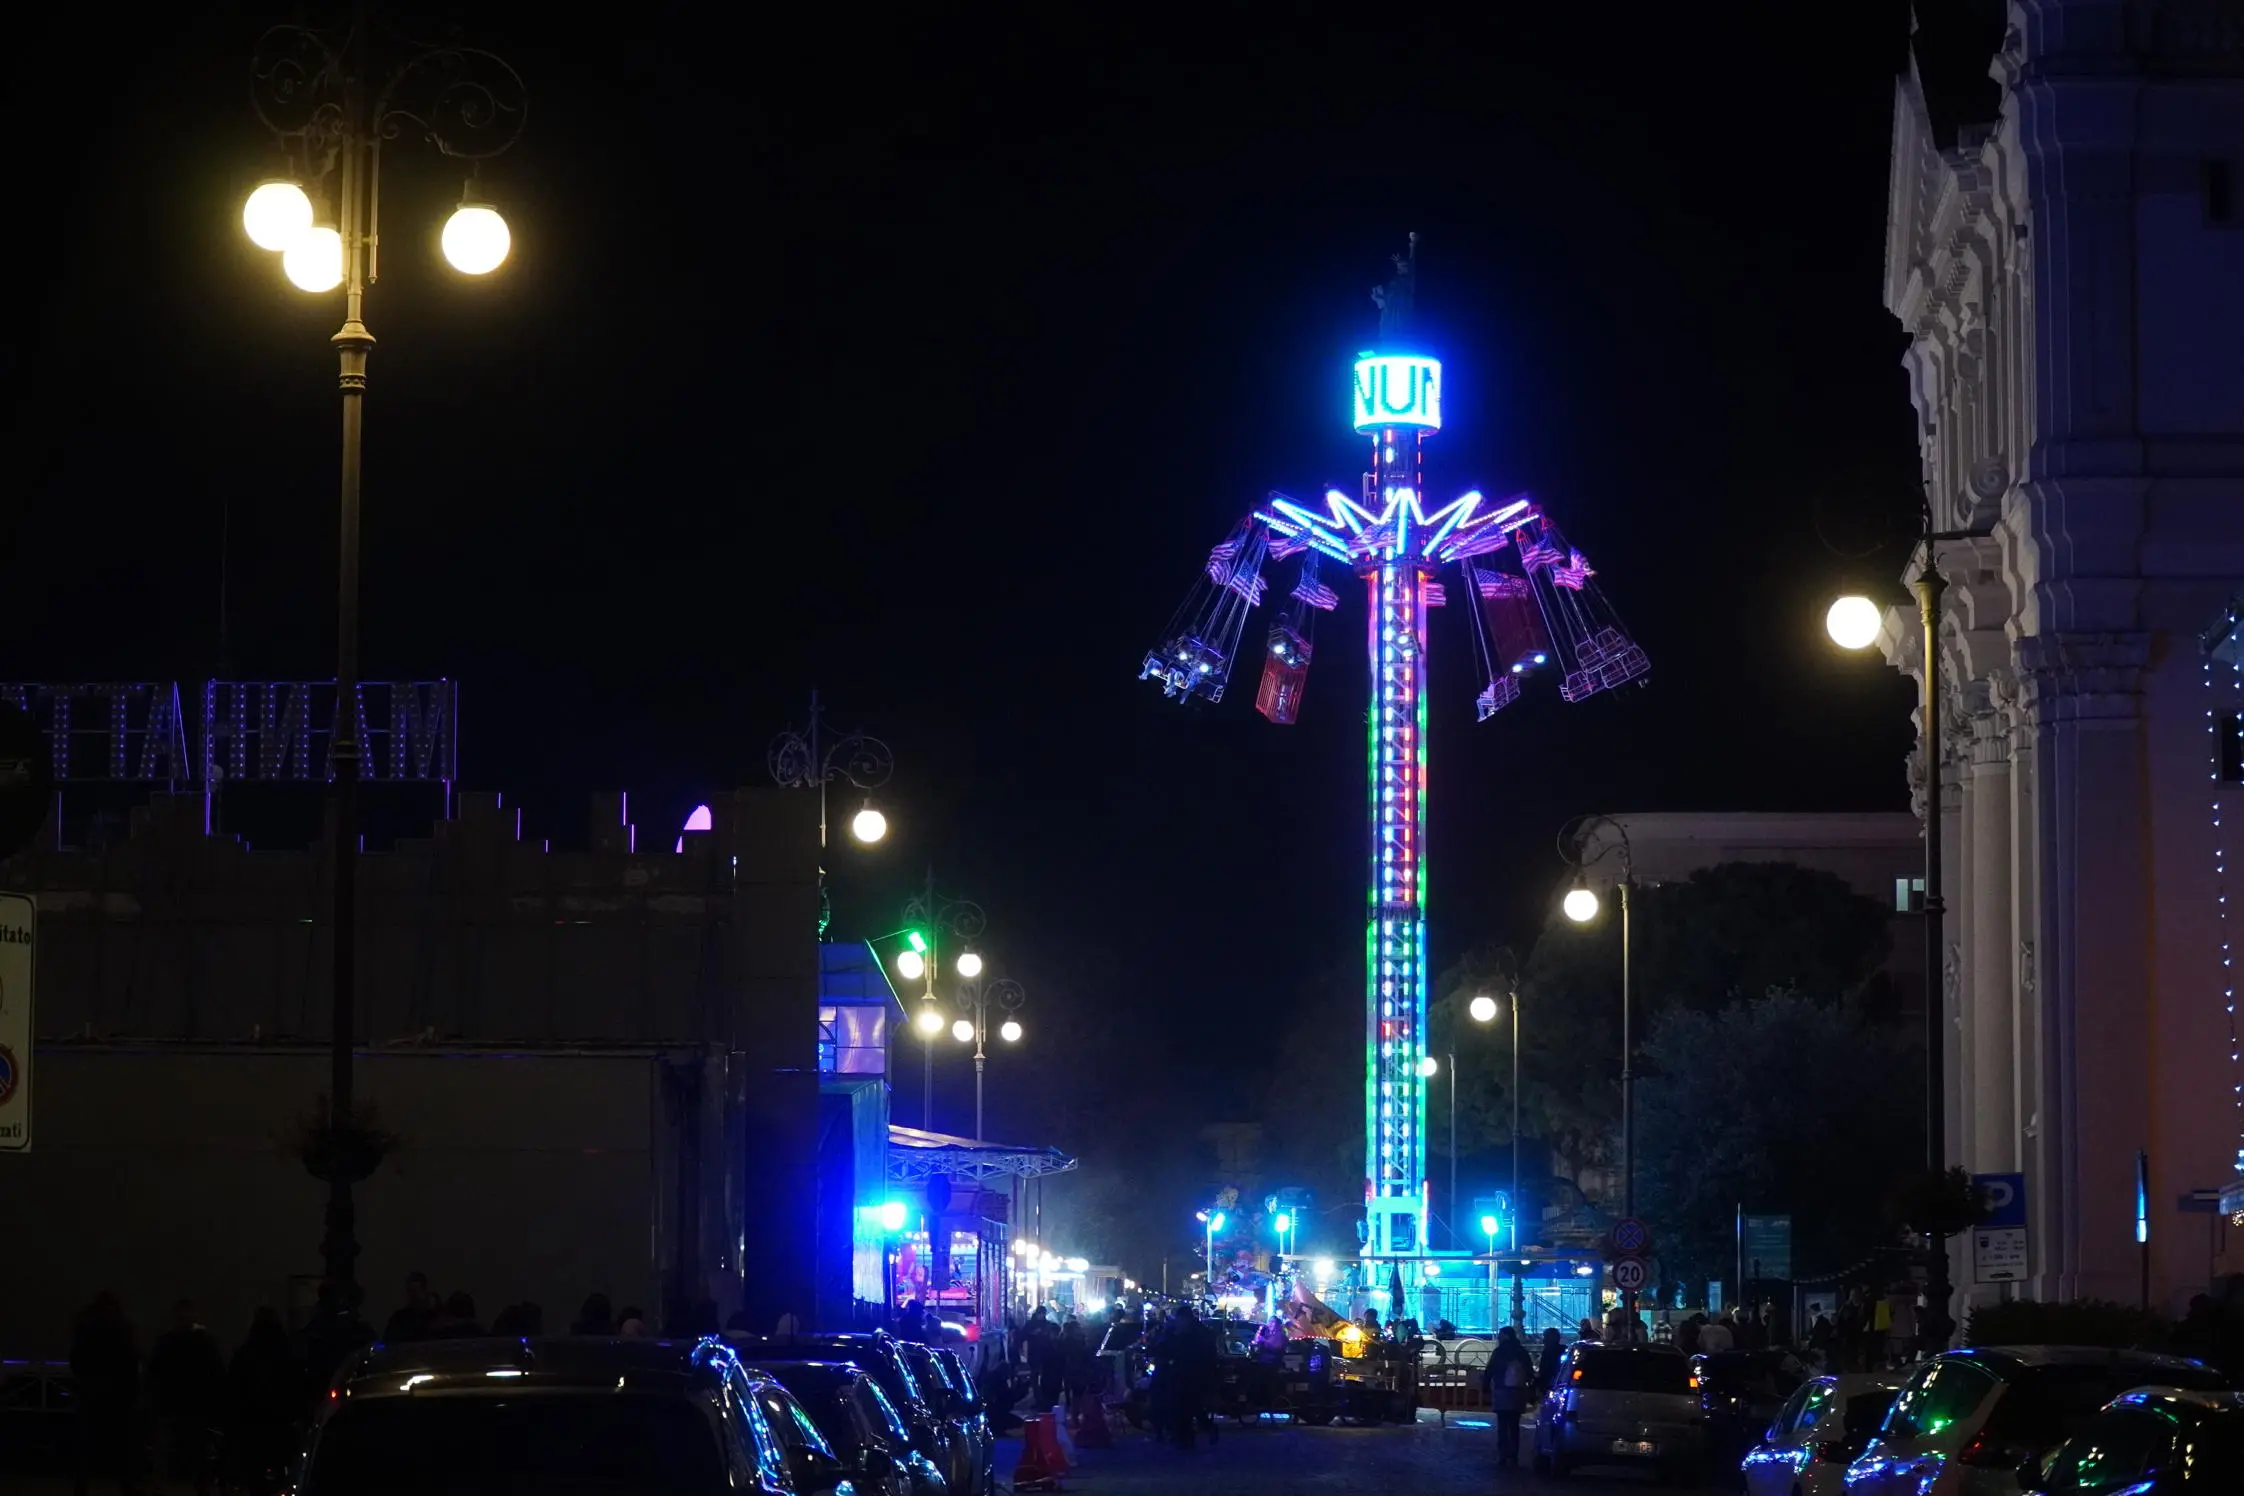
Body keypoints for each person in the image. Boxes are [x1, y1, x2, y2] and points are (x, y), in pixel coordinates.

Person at [148, 1298, 225, 1495]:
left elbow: (154, 1372)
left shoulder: (166, 1341)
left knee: (166, 1450)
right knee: (198, 1450)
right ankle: (201, 1487)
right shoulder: (205, 1342)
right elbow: (216, 1373)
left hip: (172, 1403)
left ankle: (161, 1486)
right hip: (195, 1404)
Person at [70, 1290, 141, 1496]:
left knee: (86, 1443)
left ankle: (81, 1487)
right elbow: (131, 1359)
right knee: (123, 1443)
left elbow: (76, 1359)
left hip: (91, 1390)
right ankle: (126, 1485)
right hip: (118, 1393)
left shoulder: (85, 1328)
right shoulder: (123, 1328)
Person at [226, 1308, 300, 1494]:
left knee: (255, 1479)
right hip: (281, 1423)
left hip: (253, 1426)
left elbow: (235, 1390)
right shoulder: (287, 1351)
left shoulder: (245, 1353)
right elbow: (297, 1385)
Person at [1481, 1326, 1535, 1468]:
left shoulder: (1499, 1352)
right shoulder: (1521, 1352)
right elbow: (1529, 1371)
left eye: (1501, 1334)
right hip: (1517, 1392)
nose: (1498, 1336)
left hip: (1502, 1390)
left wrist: (1485, 1386)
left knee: (1503, 1424)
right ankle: (1514, 1455)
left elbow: (1490, 1370)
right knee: (1514, 1425)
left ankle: (1503, 1455)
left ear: (1505, 1336)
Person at [382, 1272, 440, 1343]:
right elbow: (389, 1342)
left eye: (417, 1290)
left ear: (425, 1291)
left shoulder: (435, 1317)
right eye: (410, 1291)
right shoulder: (398, 1319)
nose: (414, 1295)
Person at [1535, 1327, 1567, 1398]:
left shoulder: (1547, 1352)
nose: (1543, 1340)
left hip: (1549, 1385)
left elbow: (1545, 1370)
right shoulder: (1564, 1350)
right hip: (1561, 1383)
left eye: (1545, 1337)